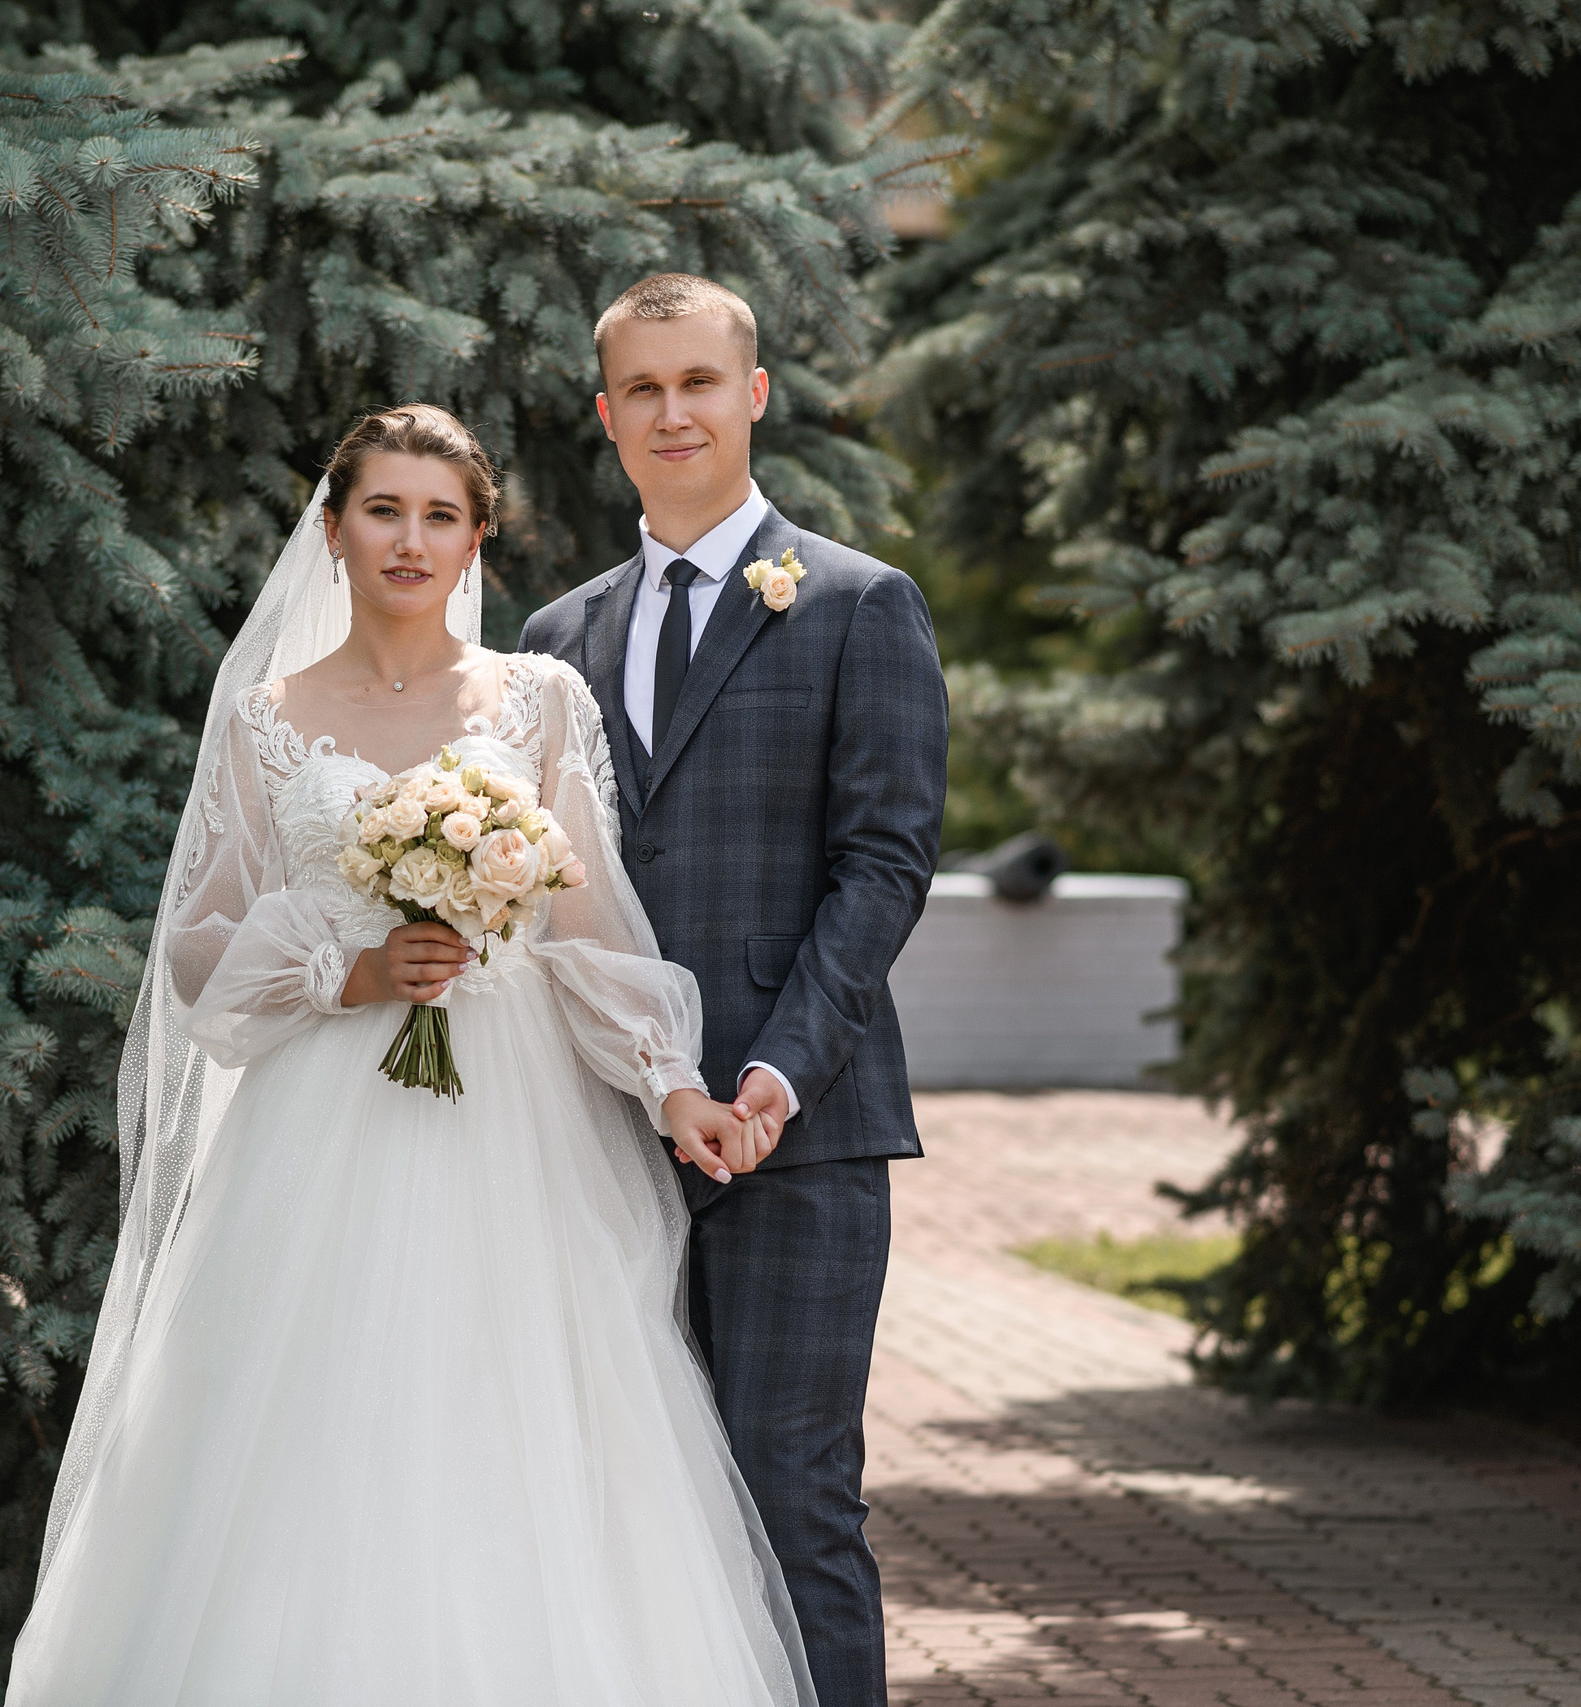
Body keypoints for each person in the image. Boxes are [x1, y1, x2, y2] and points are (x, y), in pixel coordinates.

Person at [9, 404, 815, 1705]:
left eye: (441, 514)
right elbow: (201, 949)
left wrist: (673, 1085)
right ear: (333, 529)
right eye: (383, 509)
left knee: (507, 1436)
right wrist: (347, 970)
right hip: (316, 1131)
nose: (410, 538)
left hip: (512, 1137)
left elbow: (591, 932)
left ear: (478, 536)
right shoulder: (266, 718)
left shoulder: (538, 702)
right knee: (306, 1441)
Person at [520, 274, 949, 1707]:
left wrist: (770, 1077)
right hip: (599, 1142)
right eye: (641, 389)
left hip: (798, 1136)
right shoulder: (553, 642)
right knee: (618, 1511)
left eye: (698, 381)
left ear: (752, 394)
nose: (673, 411)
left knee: (792, 1499)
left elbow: (883, 867)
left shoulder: (856, 604)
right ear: (606, 417)